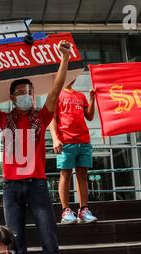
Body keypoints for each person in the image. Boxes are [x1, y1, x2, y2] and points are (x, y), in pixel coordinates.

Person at [0, 40, 72, 254]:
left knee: (47, 233)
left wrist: (64, 59)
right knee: (15, 238)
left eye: (30, 93)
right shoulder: (3, 119)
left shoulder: (40, 118)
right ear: (12, 97)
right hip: (11, 187)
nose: (26, 97)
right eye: (21, 93)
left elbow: (55, 90)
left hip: (36, 185)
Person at [49, 78, 98, 224]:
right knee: (65, 175)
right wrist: (55, 139)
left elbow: (89, 116)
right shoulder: (57, 94)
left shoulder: (80, 96)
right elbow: (52, 118)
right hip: (66, 142)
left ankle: (83, 211)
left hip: (83, 141)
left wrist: (92, 98)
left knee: (82, 176)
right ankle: (66, 211)